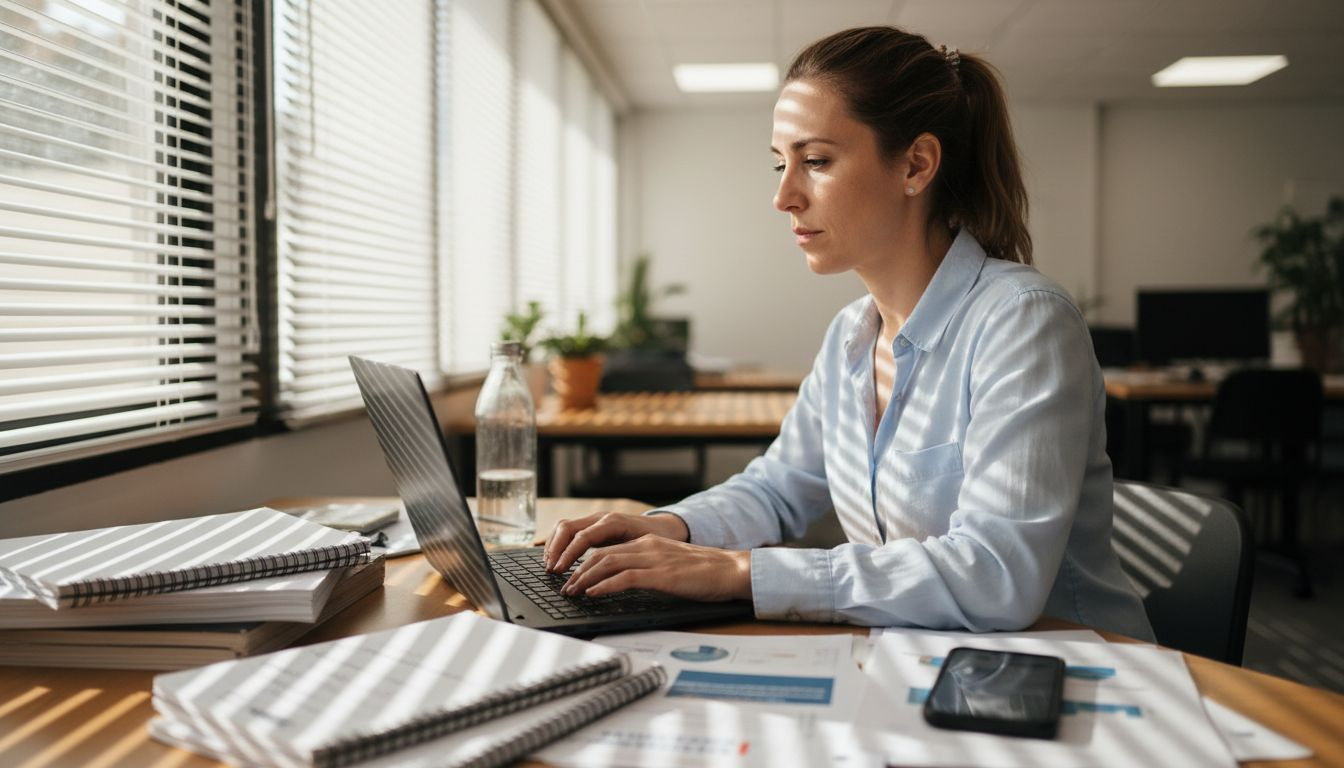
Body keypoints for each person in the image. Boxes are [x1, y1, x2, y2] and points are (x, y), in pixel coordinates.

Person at [543, 26, 1153, 640]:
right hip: (925, 662)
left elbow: (995, 576)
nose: (784, 196)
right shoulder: (850, 338)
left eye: (815, 161)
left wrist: (738, 571)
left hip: (1075, 681)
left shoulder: (1023, 321)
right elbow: (779, 489)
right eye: (781, 164)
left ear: (916, 165)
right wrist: (667, 528)